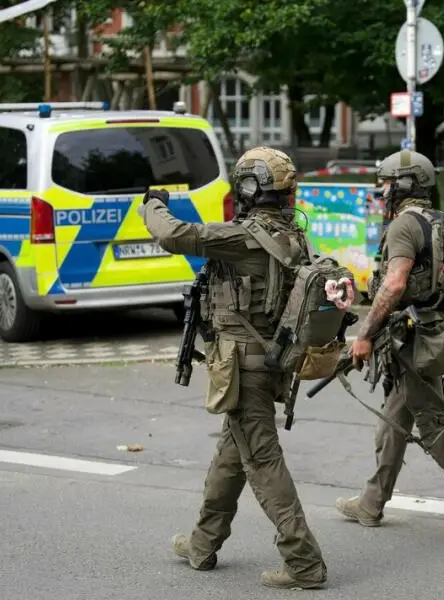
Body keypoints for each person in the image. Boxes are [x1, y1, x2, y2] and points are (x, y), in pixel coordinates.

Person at [139, 147, 327, 590]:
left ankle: (304, 562)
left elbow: (173, 235)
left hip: (243, 366)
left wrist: (153, 203)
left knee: (262, 461)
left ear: (247, 188)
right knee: (231, 457)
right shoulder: (293, 236)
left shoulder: (243, 237)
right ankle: (203, 545)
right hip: (269, 361)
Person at [335, 149, 444, 543]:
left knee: (434, 428)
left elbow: (394, 284)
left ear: (404, 184)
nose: (381, 191)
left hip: (410, 342)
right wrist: (436, 295)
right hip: (432, 334)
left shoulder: (403, 226)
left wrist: (363, 335)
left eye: (385, 183)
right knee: (393, 421)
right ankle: (371, 503)